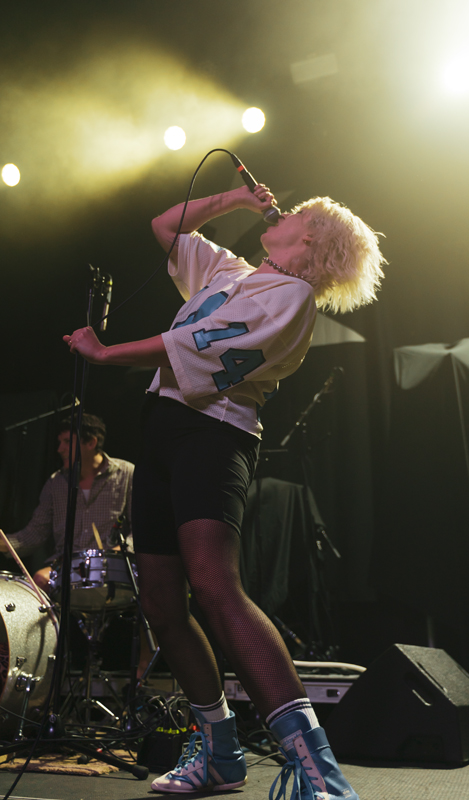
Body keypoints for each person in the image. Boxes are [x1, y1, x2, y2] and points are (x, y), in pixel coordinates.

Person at [62, 182, 385, 799]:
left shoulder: (291, 297)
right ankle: (218, 752)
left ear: (310, 236)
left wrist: (104, 353)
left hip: (213, 433)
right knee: (161, 601)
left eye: (299, 212)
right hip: (162, 426)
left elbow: (189, 347)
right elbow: (167, 226)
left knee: (214, 586)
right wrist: (236, 198)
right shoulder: (231, 273)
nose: (284, 209)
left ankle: (317, 769)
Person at [0, 413, 134, 591]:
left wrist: (116, 553)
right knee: (39, 579)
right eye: (60, 442)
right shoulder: (56, 483)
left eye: (67, 442)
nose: (60, 449)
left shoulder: (126, 474)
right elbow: (34, 533)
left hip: (110, 566)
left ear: (91, 443)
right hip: (66, 567)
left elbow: (142, 530)